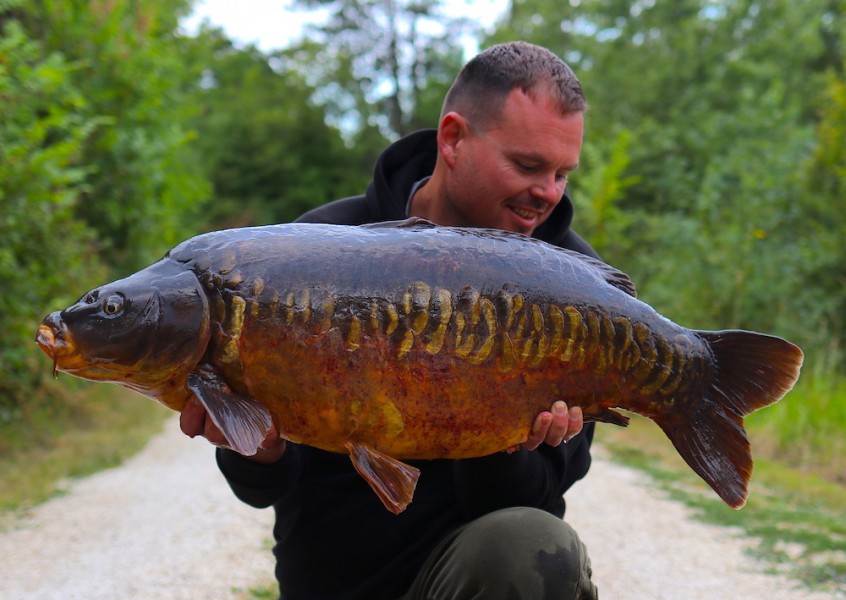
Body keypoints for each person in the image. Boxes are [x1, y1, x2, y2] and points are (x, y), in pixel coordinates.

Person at [180, 41, 599, 600]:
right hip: (332, 582)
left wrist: (506, 436)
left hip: (472, 575)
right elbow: (267, 490)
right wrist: (258, 448)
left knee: (532, 544)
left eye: (562, 173)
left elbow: (536, 505)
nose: (547, 193)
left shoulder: (576, 290)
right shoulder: (314, 252)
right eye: (527, 166)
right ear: (452, 139)